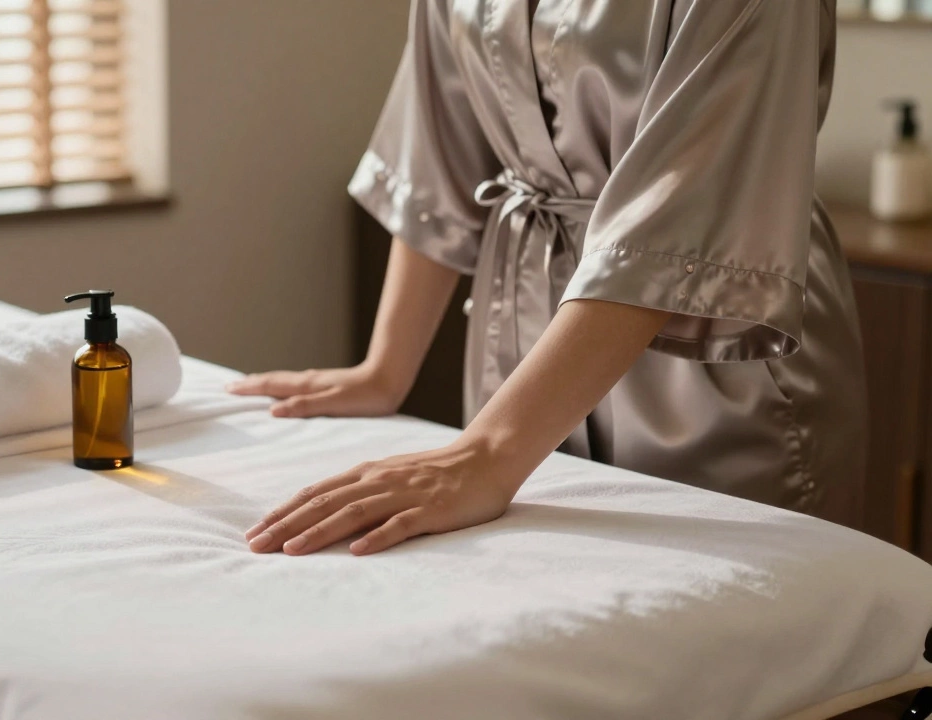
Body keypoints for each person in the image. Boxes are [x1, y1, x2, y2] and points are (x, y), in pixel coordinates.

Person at [228, 0, 865, 557]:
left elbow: (682, 212)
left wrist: (486, 456)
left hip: (718, 348)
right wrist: (386, 371)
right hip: (525, 352)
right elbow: (436, 140)